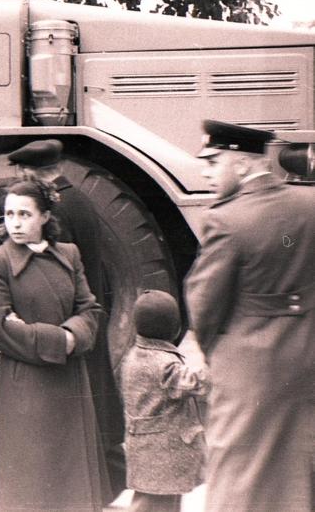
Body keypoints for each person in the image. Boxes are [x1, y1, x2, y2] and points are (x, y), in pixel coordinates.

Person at [183, 119, 315, 511]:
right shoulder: (307, 206)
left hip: (246, 370)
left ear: (242, 164)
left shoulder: (227, 219)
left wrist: (212, 351)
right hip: (304, 357)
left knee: (239, 473)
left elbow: (204, 304)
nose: (206, 172)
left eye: (213, 162)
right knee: (295, 469)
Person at [0, 179, 108, 511]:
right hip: (25, 387)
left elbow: (91, 310)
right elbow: (0, 329)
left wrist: (71, 335)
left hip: (69, 384)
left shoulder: (69, 254)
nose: (15, 223)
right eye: (9, 214)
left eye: (25, 214)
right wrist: (62, 339)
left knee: (68, 487)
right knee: (27, 485)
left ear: (45, 216)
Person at [5, 139, 126, 502]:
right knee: (96, 398)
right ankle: (107, 482)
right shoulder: (81, 199)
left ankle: (94, 488)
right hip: (88, 315)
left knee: (76, 410)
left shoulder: (56, 210)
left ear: (31, 174)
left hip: (67, 323)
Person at [118, 290, 208, 512]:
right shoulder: (163, 364)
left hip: (146, 450)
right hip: (164, 454)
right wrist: (216, 367)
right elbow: (194, 383)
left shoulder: (134, 354)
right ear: (175, 328)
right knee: (156, 504)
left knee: (155, 500)